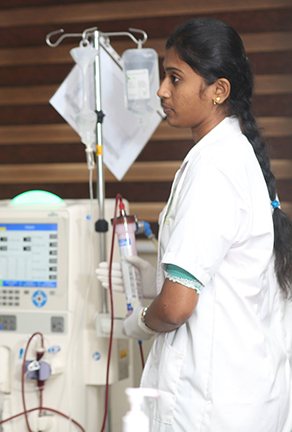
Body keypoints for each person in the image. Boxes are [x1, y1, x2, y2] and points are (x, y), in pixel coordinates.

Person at [102, 18, 292, 432]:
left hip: (211, 405)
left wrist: (138, 322)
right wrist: (157, 277)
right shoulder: (235, 155)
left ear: (218, 90)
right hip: (248, 396)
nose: (162, 90)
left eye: (175, 78)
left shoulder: (214, 168)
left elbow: (175, 309)